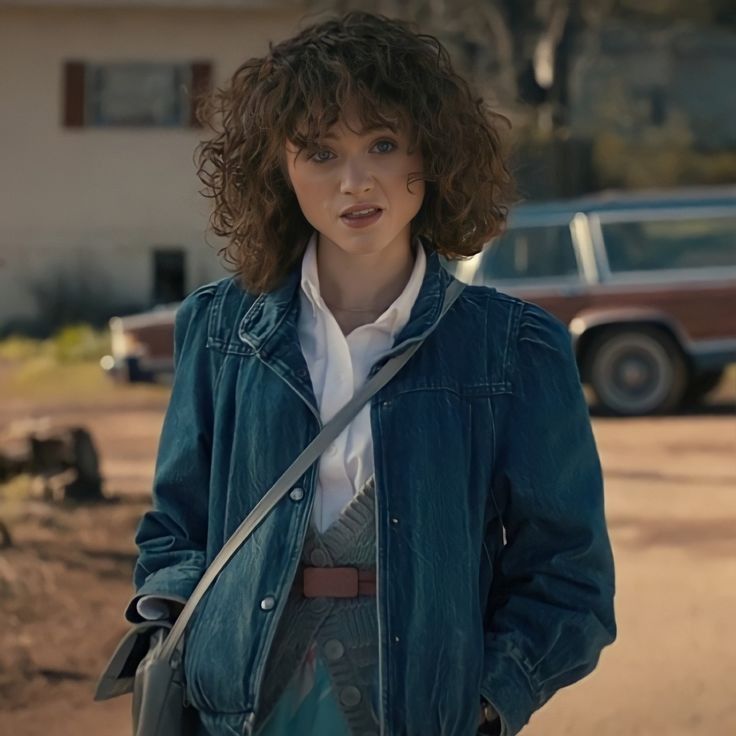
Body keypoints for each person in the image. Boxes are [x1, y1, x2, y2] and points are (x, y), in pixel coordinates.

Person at [124, 10, 616, 736]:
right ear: (278, 169)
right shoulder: (221, 330)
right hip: (238, 711)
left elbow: (569, 576)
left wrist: (486, 703)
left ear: (433, 153)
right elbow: (175, 528)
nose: (355, 181)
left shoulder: (514, 348)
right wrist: (174, 637)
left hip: (421, 712)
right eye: (319, 153)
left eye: (382, 144)